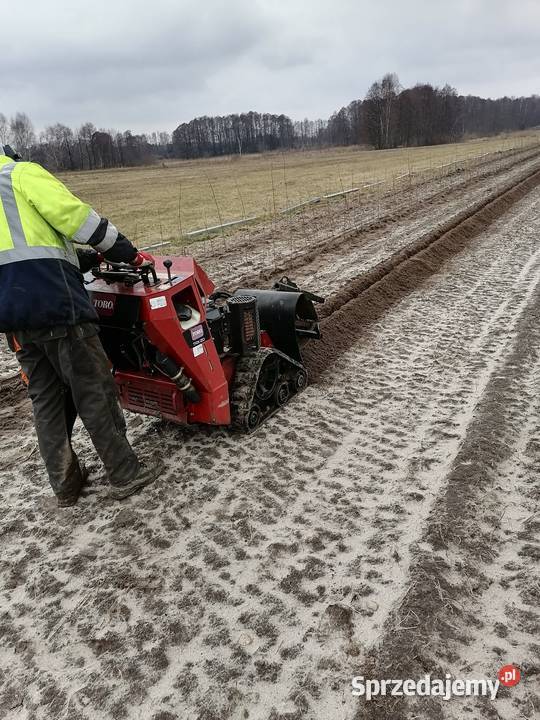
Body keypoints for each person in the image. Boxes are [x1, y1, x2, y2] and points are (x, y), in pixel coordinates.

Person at [0, 143, 158, 506]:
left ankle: (65, 483)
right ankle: (124, 473)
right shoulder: (19, 175)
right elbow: (77, 220)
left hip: (14, 322)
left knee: (47, 399)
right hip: (56, 307)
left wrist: (83, 260)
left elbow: (30, 245)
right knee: (93, 387)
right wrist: (126, 252)